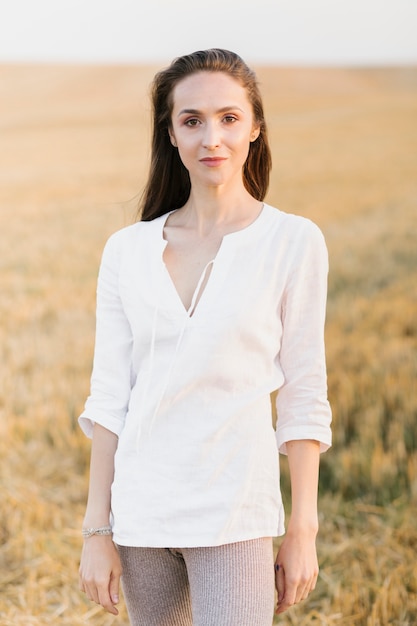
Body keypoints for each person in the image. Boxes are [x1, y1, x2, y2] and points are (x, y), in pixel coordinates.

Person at [78, 48, 332, 626]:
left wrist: (303, 530)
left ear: (255, 126)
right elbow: (110, 395)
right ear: (170, 133)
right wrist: (98, 529)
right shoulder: (127, 251)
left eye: (229, 118)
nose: (210, 137)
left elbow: (303, 394)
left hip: (235, 511)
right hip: (142, 512)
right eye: (191, 120)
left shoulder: (293, 242)